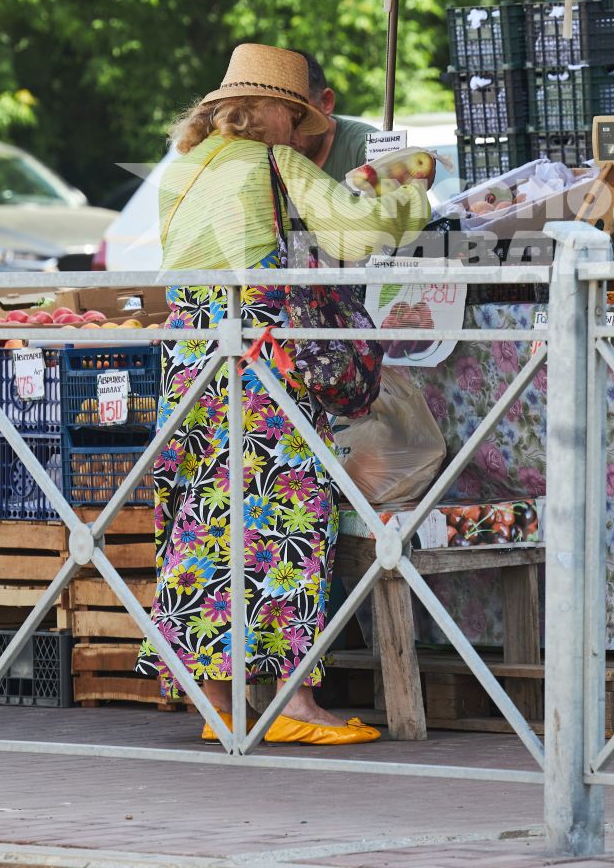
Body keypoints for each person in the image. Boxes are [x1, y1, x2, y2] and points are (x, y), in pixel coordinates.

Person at [134, 45, 429, 745]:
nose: (300, 134)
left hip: (193, 360)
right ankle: (297, 703)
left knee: (208, 515)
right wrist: (407, 184)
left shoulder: (181, 168)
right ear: (272, 112)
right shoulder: (273, 160)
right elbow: (359, 239)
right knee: (293, 513)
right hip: (260, 361)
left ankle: (219, 704)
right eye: (295, 117)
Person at [291, 50, 374, 182]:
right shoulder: (263, 152)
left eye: (297, 119)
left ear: (326, 102)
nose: (287, 133)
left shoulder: (367, 148)